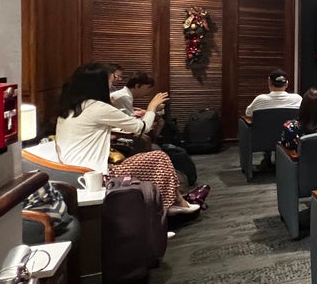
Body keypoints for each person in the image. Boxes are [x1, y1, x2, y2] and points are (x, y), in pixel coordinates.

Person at [55, 64, 207, 216]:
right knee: (159, 157)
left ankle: (171, 203)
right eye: (109, 80)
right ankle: (171, 205)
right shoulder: (98, 108)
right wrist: (152, 107)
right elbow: (143, 127)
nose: (112, 85)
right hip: (95, 177)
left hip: (75, 173)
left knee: (153, 159)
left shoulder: (71, 108)